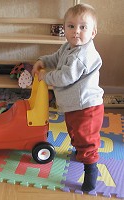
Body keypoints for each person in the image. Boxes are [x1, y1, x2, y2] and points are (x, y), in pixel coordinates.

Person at [32, 3, 104, 192]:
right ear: (64, 29)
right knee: (74, 132)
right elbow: (56, 58)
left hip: (86, 107)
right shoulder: (68, 47)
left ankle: (91, 170)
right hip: (74, 105)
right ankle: (80, 151)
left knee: (86, 139)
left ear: (93, 32)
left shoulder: (82, 55)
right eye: (71, 26)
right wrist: (43, 61)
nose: (76, 32)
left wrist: (45, 76)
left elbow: (65, 76)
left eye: (83, 27)